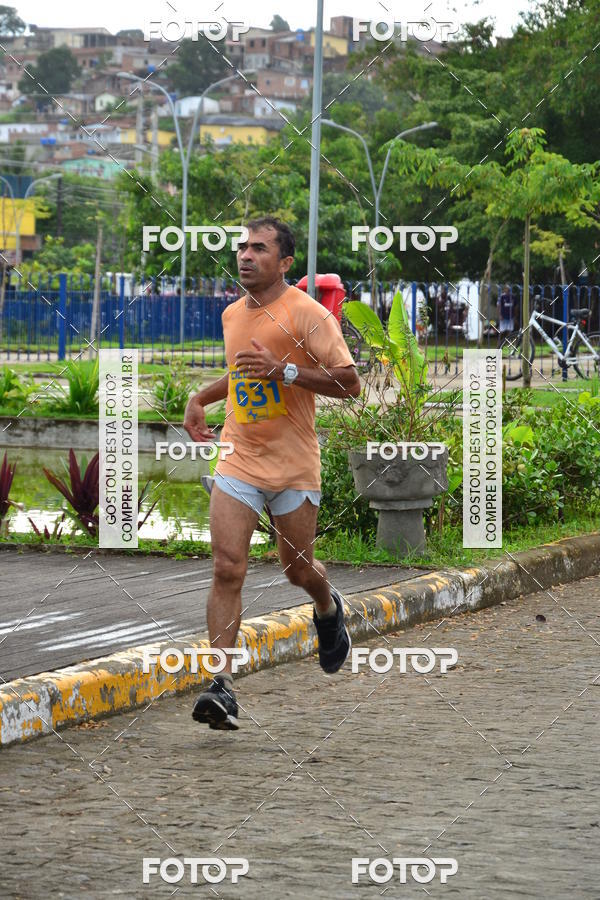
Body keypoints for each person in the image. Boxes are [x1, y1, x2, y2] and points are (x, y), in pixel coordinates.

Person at [183, 216, 361, 730]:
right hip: (239, 455)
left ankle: (328, 608)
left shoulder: (307, 315)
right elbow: (242, 371)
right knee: (227, 567)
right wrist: (201, 397)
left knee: (297, 569)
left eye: (259, 248)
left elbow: (350, 383)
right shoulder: (232, 314)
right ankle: (220, 685)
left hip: (294, 465)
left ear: (284, 262)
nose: (245, 255)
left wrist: (284, 371)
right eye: (242, 247)